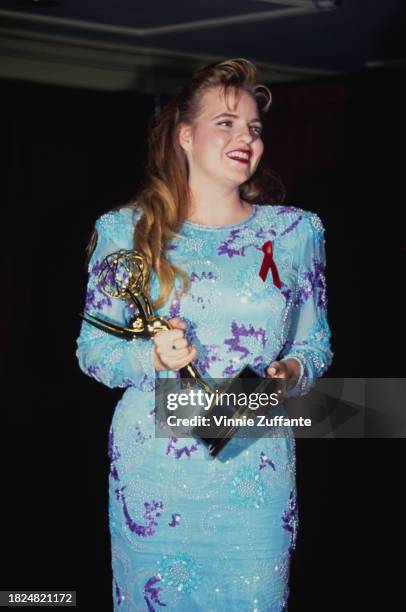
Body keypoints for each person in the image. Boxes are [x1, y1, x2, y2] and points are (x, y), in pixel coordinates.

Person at [76, 58, 333, 611]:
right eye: (226, 123)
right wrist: (153, 355)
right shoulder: (123, 230)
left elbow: (315, 344)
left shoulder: (295, 232)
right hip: (154, 471)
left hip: (253, 462)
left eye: (254, 128)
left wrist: (291, 372)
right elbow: (94, 352)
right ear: (185, 135)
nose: (246, 137)